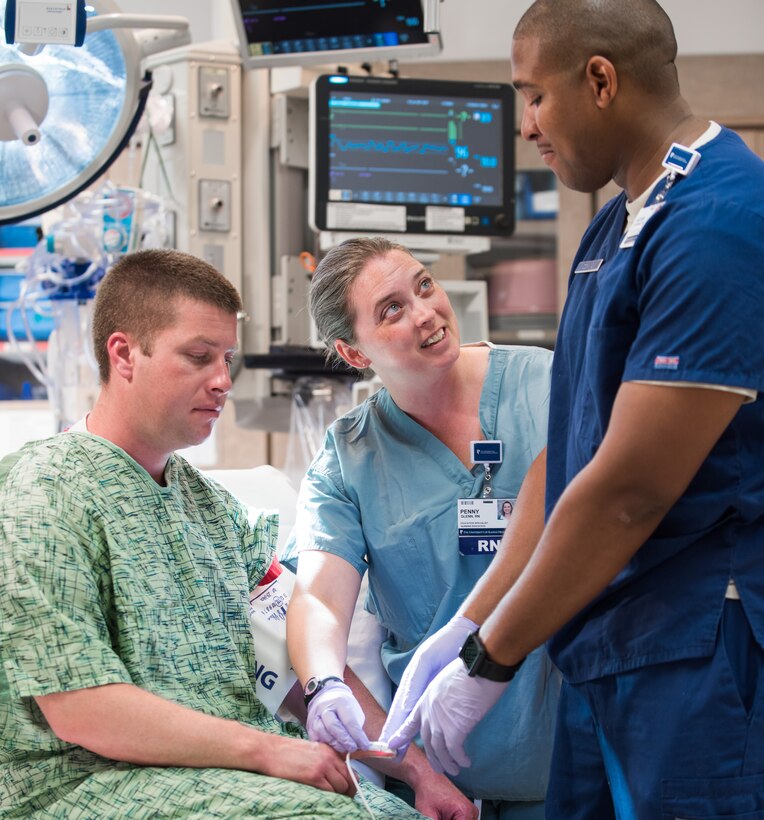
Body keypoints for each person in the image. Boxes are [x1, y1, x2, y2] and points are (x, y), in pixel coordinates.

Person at [381, 1, 764, 817]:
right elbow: (570, 457)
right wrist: (467, 624)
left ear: (599, 80)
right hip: (613, 646)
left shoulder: (718, 223)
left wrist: (490, 660)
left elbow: (629, 488)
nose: (524, 127)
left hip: (701, 648)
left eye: (533, 96)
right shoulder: (616, 225)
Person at [0, 248, 435, 818]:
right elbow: (81, 709)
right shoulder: (44, 493)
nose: (223, 381)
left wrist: (416, 771)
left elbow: (295, 662)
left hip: (226, 779)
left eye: (228, 358)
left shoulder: (215, 513)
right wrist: (269, 751)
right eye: (198, 357)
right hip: (83, 784)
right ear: (125, 354)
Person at [284, 236, 560, 819]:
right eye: (391, 309)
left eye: (424, 285)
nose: (425, 312)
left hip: (573, 748)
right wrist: (324, 684)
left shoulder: (547, 386)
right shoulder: (349, 460)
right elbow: (318, 599)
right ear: (353, 353)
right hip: (444, 783)